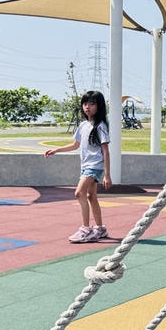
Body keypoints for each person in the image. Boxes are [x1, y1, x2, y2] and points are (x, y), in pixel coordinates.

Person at [45, 90, 112, 243]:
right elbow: (75, 145)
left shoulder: (100, 126)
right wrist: (57, 150)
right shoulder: (83, 125)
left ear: (99, 106)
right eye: (85, 104)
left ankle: (86, 229)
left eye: (92, 104)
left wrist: (107, 174)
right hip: (86, 165)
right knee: (90, 196)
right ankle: (100, 228)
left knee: (79, 193)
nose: (87, 107)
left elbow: (106, 151)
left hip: (95, 166)